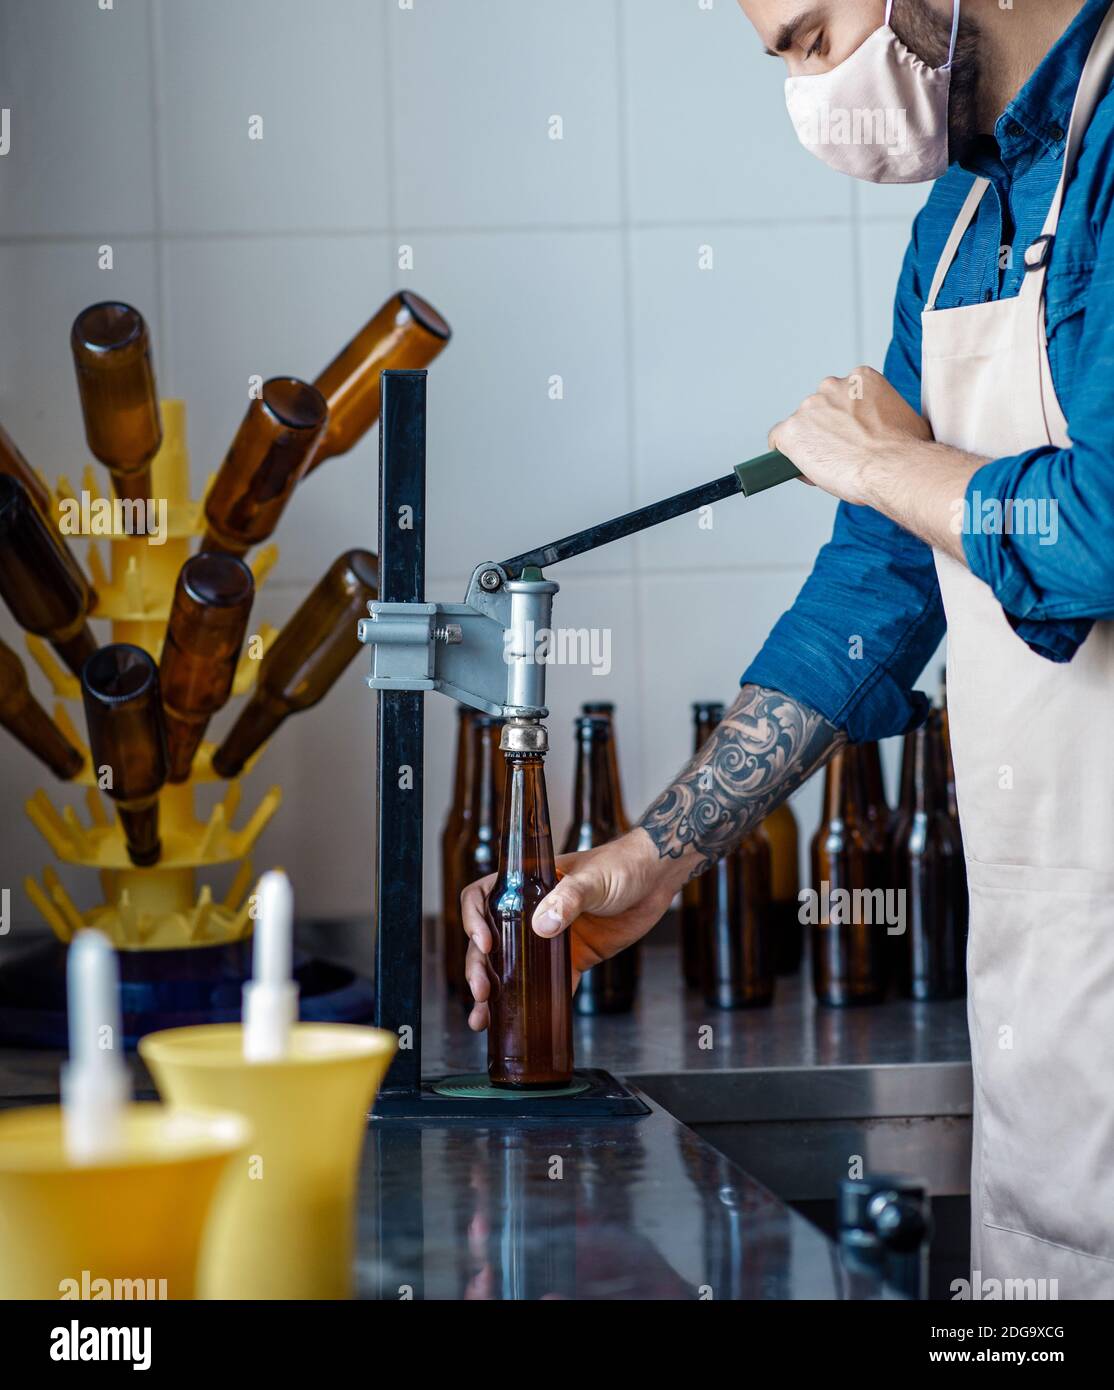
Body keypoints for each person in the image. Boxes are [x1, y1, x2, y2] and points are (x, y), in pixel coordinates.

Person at [463, 0, 1114, 1298]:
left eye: (812, 38)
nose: (808, 93)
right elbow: (871, 583)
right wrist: (658, 855)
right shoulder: (954, 232)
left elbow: (1096, 522)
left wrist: (890, 460)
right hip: (1055, 1013)